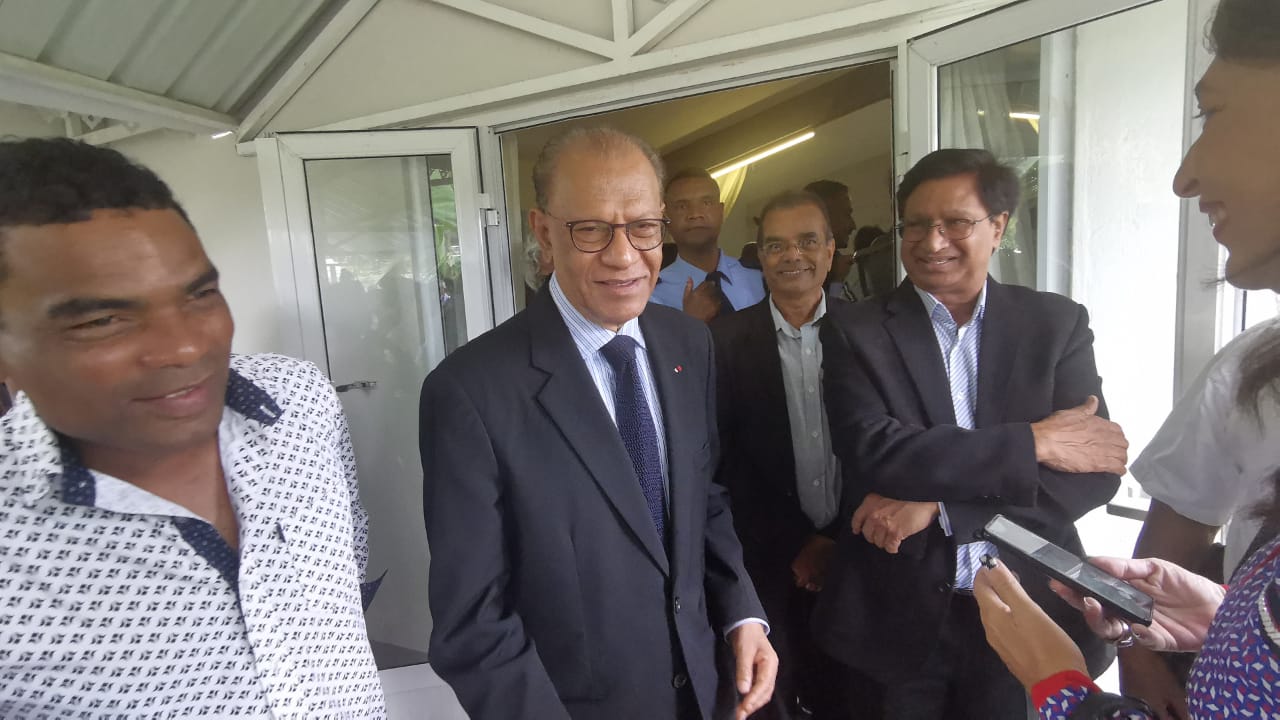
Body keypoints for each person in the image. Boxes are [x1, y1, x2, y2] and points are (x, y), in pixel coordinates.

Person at [0, 138, 385, 717]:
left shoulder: (298, 403)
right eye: (103, 319)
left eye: (201, 294)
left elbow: (347, 558)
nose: (185, 347)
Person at [974, 0, 1280, 717]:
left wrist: (1060, 686)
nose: (1185, 176)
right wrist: (1234, 617)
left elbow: (1098, 461)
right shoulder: (1257, 363)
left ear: (999, 228)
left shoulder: (1057, 322)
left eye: (1212, 114)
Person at [419, 127, 776, 720]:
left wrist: (743, 615)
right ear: (543, 232)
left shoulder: (690, 344)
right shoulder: (471, 392)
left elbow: (704, 500)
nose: (623, 255)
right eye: (591, 229)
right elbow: (473, 622)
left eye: (643, 227)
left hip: (707, 693)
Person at [812, 148, 1129, 719]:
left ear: (998, 226)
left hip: (1026, 609)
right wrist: (1035, 443)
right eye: (915, 225)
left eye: (955, 222)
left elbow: (1093, 472)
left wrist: (942, 507)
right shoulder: (856, 329)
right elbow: (875, 450)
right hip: (895, 617)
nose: (932, 242)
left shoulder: (1055, 324)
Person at [711, 191, 879, 719]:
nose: (792, 255)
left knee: (856, 699)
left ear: (831, 250)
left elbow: (886, 449)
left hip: (862, 555)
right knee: (771, 698)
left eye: (807, 241)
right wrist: (799, 542)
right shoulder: (720, 343)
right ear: (760, 257)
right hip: (766, 561)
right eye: (776, 245)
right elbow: (723, 461)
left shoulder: (876, 332)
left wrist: (835, 540)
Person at [1118, 315, 1280, 716]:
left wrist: (1055, 680)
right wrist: (1137, 651)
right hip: (1232, 664)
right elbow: (1181, 511)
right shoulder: (1257, 356)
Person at [650, 168, 765, 322]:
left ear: (721, 211)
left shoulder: (758, 277)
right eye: (682, 206)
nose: (695, 214)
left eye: (706, 203)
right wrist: (690, 325)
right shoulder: (652, 297)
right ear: (666, 219)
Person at [804, 180, 857, 298]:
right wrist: (837, 283)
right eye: (846, 214)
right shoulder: (795, 273)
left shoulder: (836, 264)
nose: (853, 225)